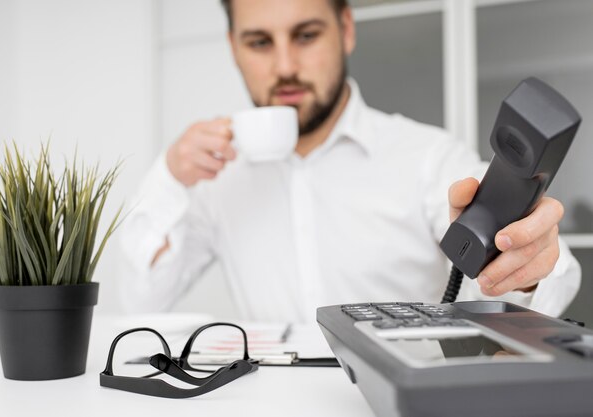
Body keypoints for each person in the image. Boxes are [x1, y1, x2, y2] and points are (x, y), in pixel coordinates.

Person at [119, 0, 580, 323]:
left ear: (345, 29)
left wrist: (527, 265)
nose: (284, 66)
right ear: (233, 47)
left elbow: (547, 281)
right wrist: (169, 179)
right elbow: (140, 302)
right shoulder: (213, 178)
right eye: (259, 42)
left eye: (305, 35)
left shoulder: (426, 157)